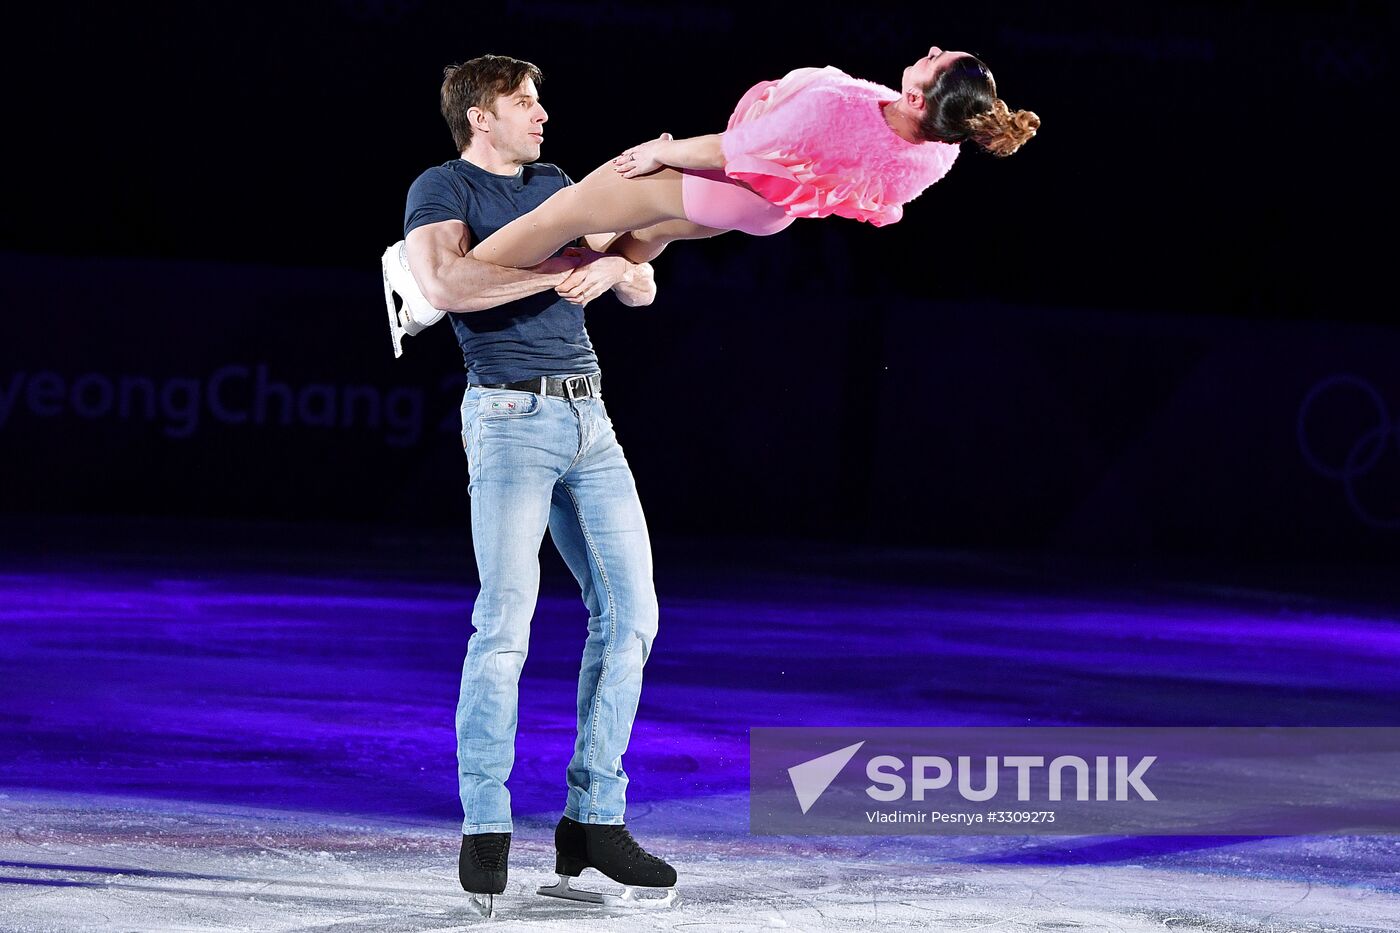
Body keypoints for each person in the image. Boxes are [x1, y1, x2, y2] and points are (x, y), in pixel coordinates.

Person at [399, 54, 678, 915]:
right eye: (523, 102)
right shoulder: (444, 188)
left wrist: (616, 270)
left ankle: (593, 821)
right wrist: (558, 276)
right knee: (507, 618)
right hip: (510, 421)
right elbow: (444, 281)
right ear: (480, 117)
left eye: (538, 100)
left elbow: (642, 283)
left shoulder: (559, 181)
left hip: (592, 420)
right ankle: (486, 825)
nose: (540, 114)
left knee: (634, 612)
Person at [466, 46, 1040, 270]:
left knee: (563, 212)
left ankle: (443, 286)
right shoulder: (940, 152)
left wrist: (661, 152)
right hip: (765, 213)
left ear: (919, 99)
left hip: (729, 181)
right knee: (639, 236)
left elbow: (731, 149)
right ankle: (574, 280)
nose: (931, 50)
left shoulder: (835, 113)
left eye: (935, 59)